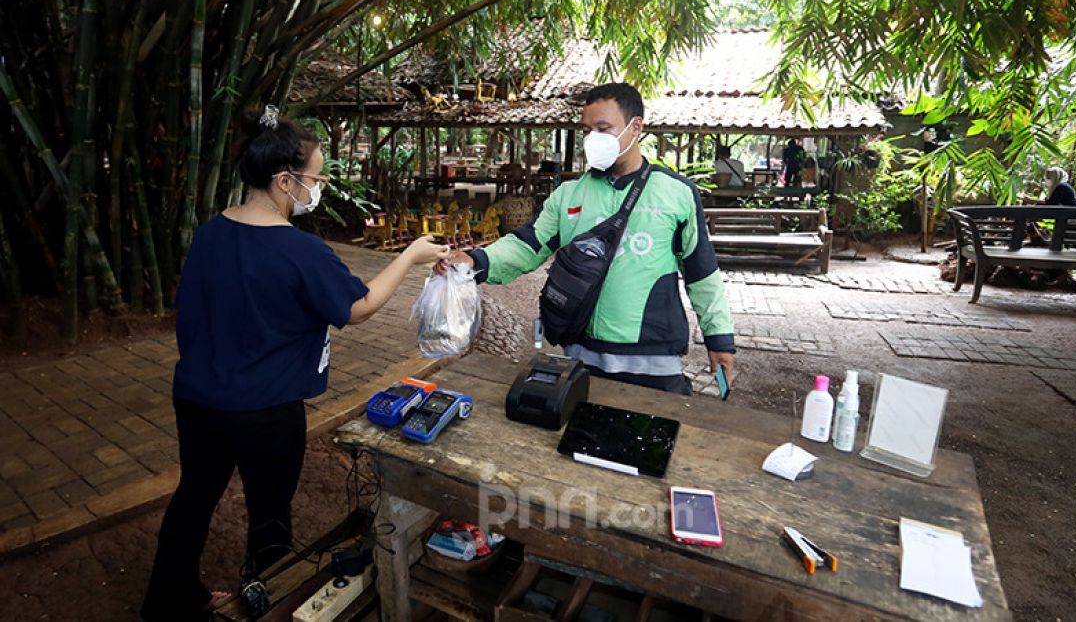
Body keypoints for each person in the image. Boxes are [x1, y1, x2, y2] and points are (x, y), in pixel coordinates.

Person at [141, 106, 448, 621]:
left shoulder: (211, 232)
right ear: (285, 180)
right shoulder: (300, 249)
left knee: (194, 495)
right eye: (316, 177)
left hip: (198, 396)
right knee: (270, 514)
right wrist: (409, 256)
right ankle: (269, 602)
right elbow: (356, 307)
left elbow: (191, 316)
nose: (320, 186)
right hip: (266, 409)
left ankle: (166, 600)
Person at [441, 83, 735, 394]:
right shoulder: (569, 194)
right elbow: (528, 244)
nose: (592, 139)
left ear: (636, 127)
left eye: (603, 128)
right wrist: (476, 260)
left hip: (655, 361)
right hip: (581, 356)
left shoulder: (677, 194)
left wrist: (719, 339)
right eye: (587, 130)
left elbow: (702, 273)